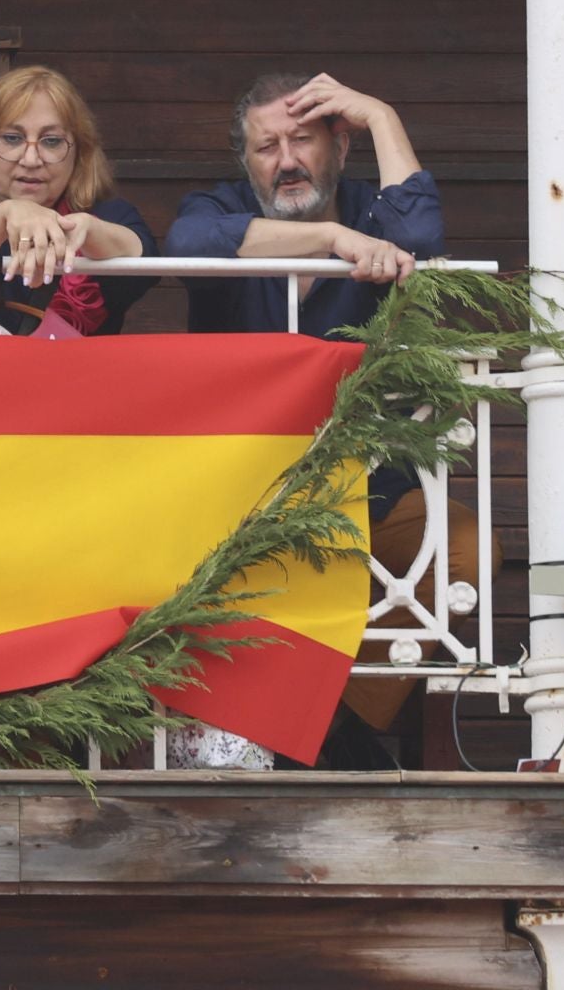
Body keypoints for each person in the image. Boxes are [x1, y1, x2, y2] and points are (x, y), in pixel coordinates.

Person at [167, 71, 476, 761]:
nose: (286, 160)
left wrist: (381, 113)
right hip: (237, 493)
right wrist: (331, 239)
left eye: (303, 140)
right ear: (246, 162)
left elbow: (419, 239)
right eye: (266, 147)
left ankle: (334, 725)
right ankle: (314, 735)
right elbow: (187, 244)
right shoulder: (221, 207)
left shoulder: (372, 209)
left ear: (340, 146)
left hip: (371, 485)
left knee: (461, 550)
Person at [0, 66, 158, 333]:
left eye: (51, 141)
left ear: (79, 151)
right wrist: (6, 214)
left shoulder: (107, 214)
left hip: (72, 363)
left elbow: (146, 261)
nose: (31, 159)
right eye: (12, 138)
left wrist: (88, 233)